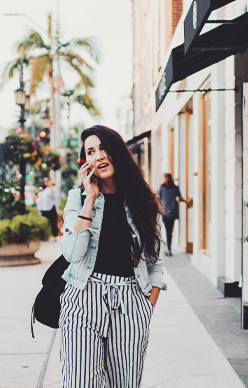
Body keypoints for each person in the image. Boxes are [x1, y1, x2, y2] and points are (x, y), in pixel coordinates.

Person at [60, 125, 165, 387]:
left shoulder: (145, 201)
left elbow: (155, 262)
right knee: (80, 382)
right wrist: (90, 199)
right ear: (86, 162)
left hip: (131, 301)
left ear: (118, 151)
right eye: (91, 152)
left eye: (103, 148)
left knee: (125, 383)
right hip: (84, 297)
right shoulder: (78, 198)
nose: (99, 156)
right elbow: (73, 253)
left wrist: (146, 307)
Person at [157, 173, 189, 256]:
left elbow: (157, 197)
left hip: (164, 212)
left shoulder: (162, 187)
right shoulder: (175, 188)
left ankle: (167, 249)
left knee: (166, 230)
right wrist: (187, 202)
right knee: (169, 231)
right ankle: (169, 249)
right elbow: (181, 198)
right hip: (173, 211)